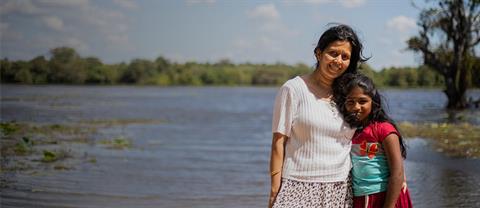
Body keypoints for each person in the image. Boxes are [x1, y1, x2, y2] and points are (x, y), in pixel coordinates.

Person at [269, 24, 368, 208]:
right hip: (297, 186)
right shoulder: (293, 89)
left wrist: (396, 174)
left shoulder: (349, 95)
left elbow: (376, 129)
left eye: (345, 57)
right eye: (333, 53)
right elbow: (278, 142)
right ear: (318, 53)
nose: (338, 60)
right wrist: (275, 190)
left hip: (340, 188)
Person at [333, 73, 413, 208]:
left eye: (362, 101)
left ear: (373, 102)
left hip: (386, 198)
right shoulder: (351, 131)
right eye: (350, 102)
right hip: (360, 198)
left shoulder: (384, 130)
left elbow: (397, 173)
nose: (356, 107)